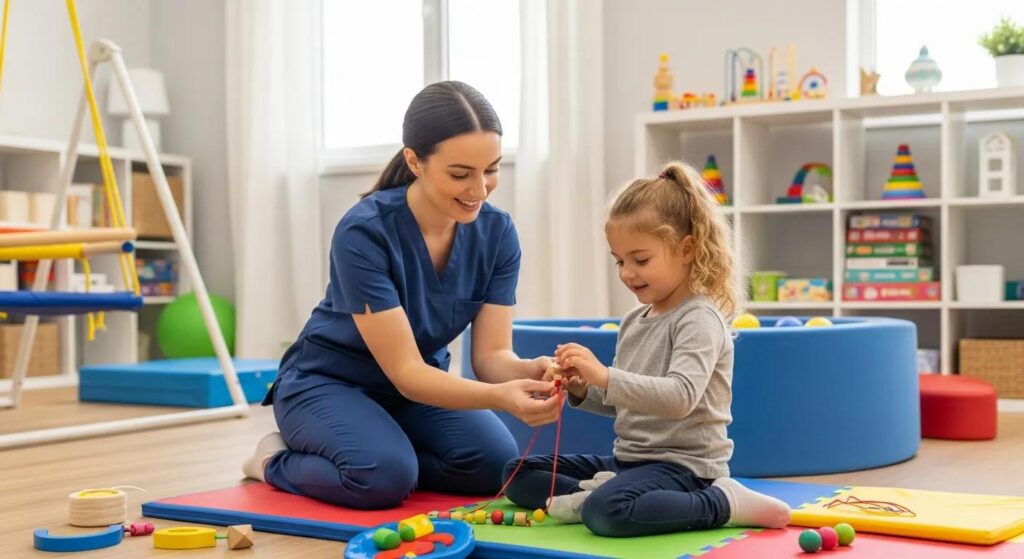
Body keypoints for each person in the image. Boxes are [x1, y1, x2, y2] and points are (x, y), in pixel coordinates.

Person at [242, 81, 560, 510]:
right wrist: (500, 398)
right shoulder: (364, 231)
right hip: (328, 383)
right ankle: (274, 459)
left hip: (416, 392)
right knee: (381, 479)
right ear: (415, 160)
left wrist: (527, 371)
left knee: (496, 466)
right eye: (460, 174)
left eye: (491, 169)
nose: (480, 190)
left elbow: (490, 357)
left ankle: (383, 450)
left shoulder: (498, 233)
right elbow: (407, 371)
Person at [503, 161, 791, 536]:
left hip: (685, 468)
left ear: (686, 248)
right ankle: (598, 495)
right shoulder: (634, 321)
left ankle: (722, 503)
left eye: (640, 260)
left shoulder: (699, 318)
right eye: (620, 261)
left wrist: (604, 374)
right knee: (517, 474)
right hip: (629, 462)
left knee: (607, 514)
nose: (627, 273)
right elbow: (626, 402)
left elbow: (679, 398)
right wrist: (581, 388)